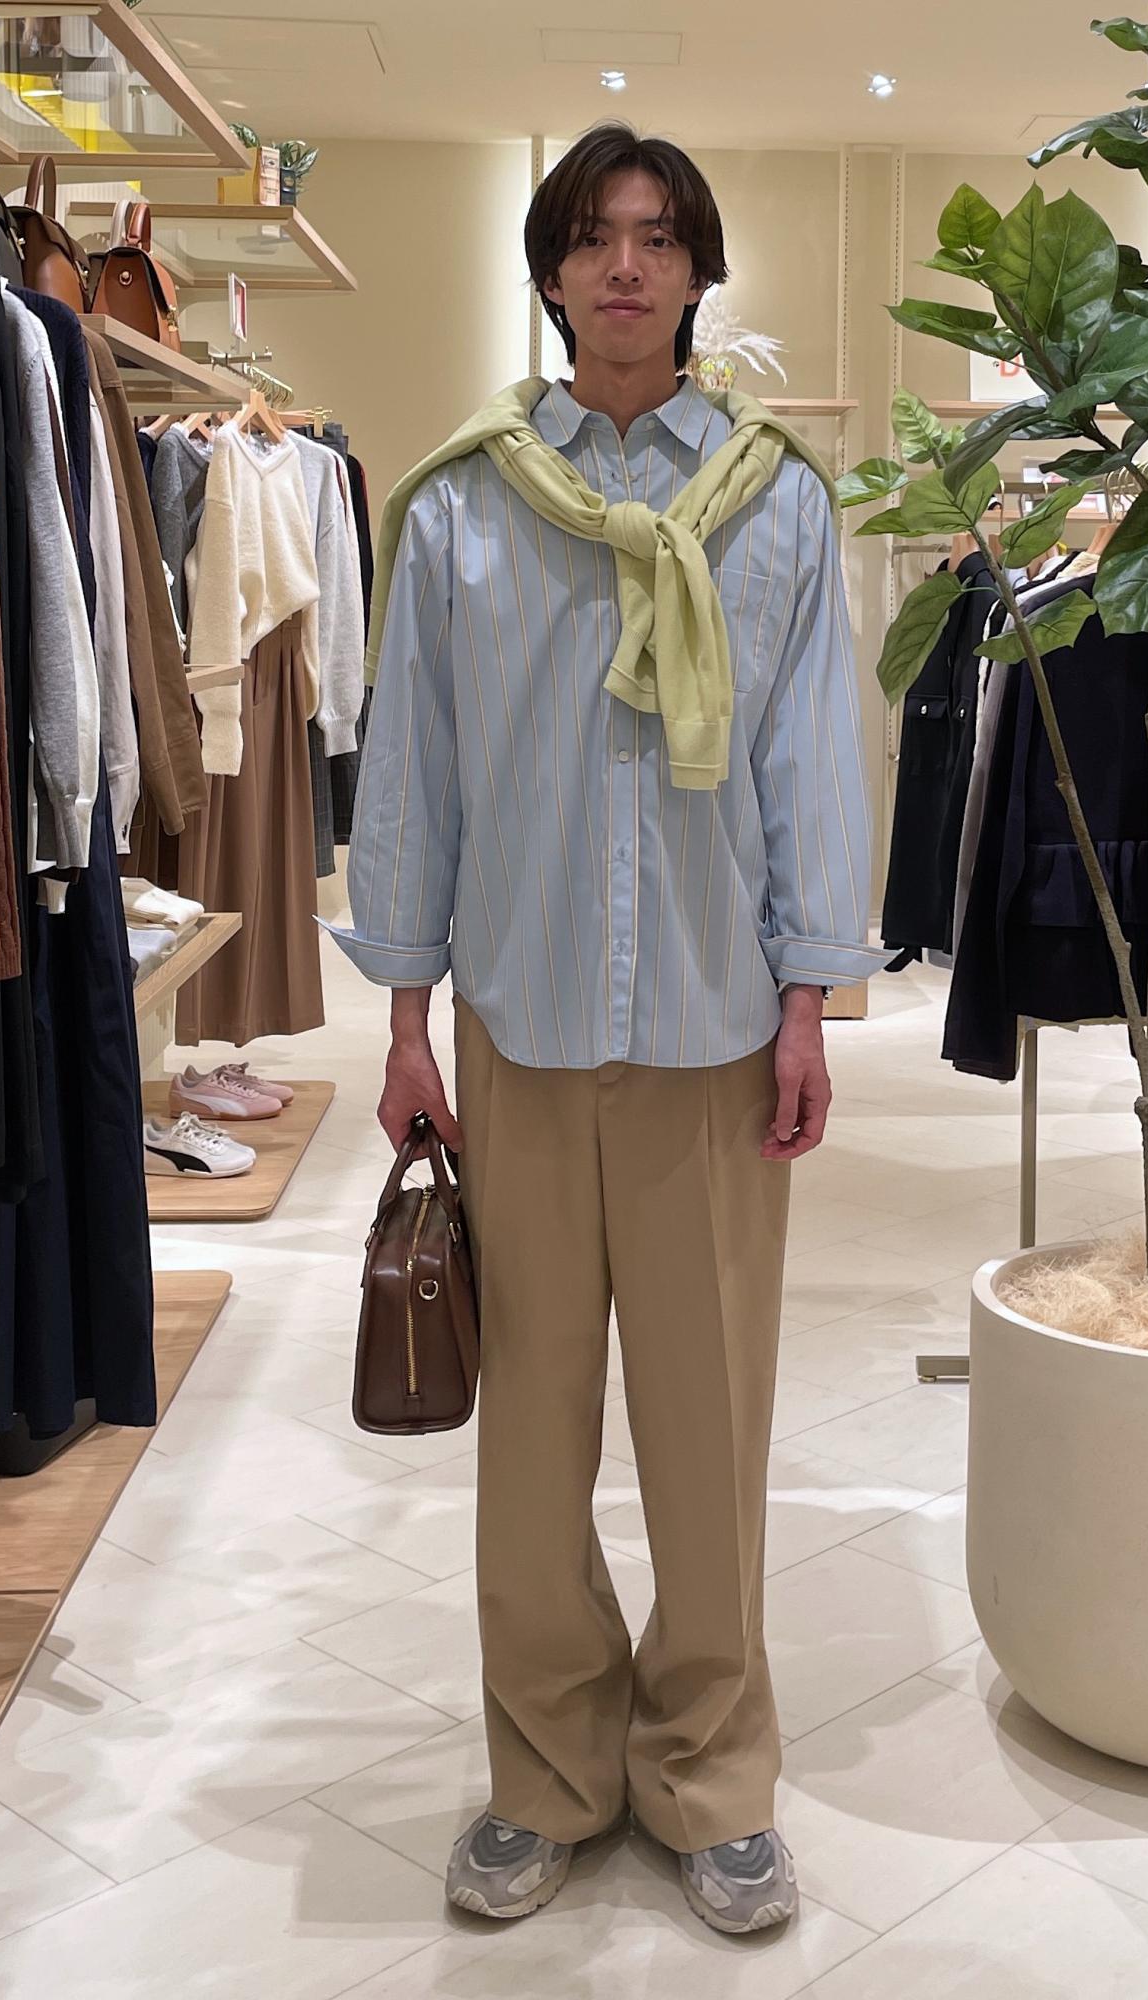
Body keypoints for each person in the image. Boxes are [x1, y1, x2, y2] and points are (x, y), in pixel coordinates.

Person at [331, 120, 881, 1936]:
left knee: (710, 1433)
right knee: (533, 1434)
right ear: (553, 274)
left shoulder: (777, 502)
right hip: (520, 1032)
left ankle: (712, 1772)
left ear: (699, 270)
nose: (626, 266)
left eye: (657, 237)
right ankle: (549, 1771)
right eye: (592, 236)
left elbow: (811, 764)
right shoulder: (466, 504)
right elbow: (412, 774)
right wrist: (404, 1020)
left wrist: (809, 1000)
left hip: (717, 1036)